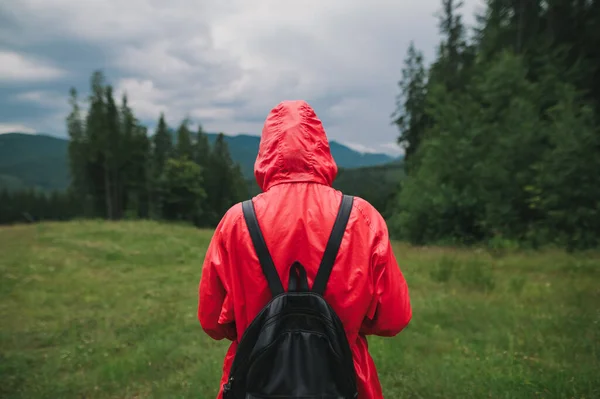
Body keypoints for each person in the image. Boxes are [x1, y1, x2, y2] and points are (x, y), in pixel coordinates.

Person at [198, 99, 412, 399]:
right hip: (344, 382)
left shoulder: (236, 221)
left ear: (266, 151)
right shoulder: (361, 217)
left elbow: (211, 321)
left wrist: (259, 325)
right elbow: (393, 318)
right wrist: (346, 319)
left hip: (255, 382)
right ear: (321, 147)